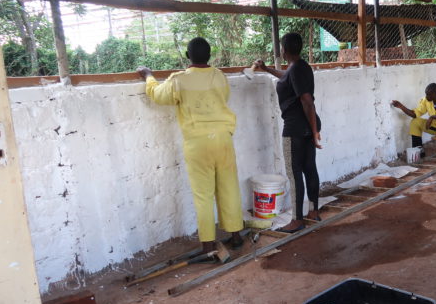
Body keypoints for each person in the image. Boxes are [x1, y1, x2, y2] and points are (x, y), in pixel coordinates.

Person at [136, 37, 244, 255]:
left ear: (187, 56)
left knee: (203, 194)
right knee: (229, 187)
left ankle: (208, 244)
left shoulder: (179, 80)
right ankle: (236, 235)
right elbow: (224, 97)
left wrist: (148, 76)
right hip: (223, 138)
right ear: (210, 55)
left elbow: (158, 95)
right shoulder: (219, 76)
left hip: (197, 143)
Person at [253, 33, 322, 233]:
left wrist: (315, 132)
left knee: (295, 174)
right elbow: (287, 77)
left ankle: (297, 219)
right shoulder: (299, 67)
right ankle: (313, 212)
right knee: (310, 168)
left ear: (284, 50)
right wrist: (266, 69)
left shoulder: (296, 69)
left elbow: (307, 101)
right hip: (306, 126)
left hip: (295, 129)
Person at [391, 83, 436, 165]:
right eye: (426, 94)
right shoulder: (426, 100)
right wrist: (401, 106)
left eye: (429, 94)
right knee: (415, 122)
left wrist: (431, 117)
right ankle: (419, 150)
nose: (427, 96)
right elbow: (415, 114)